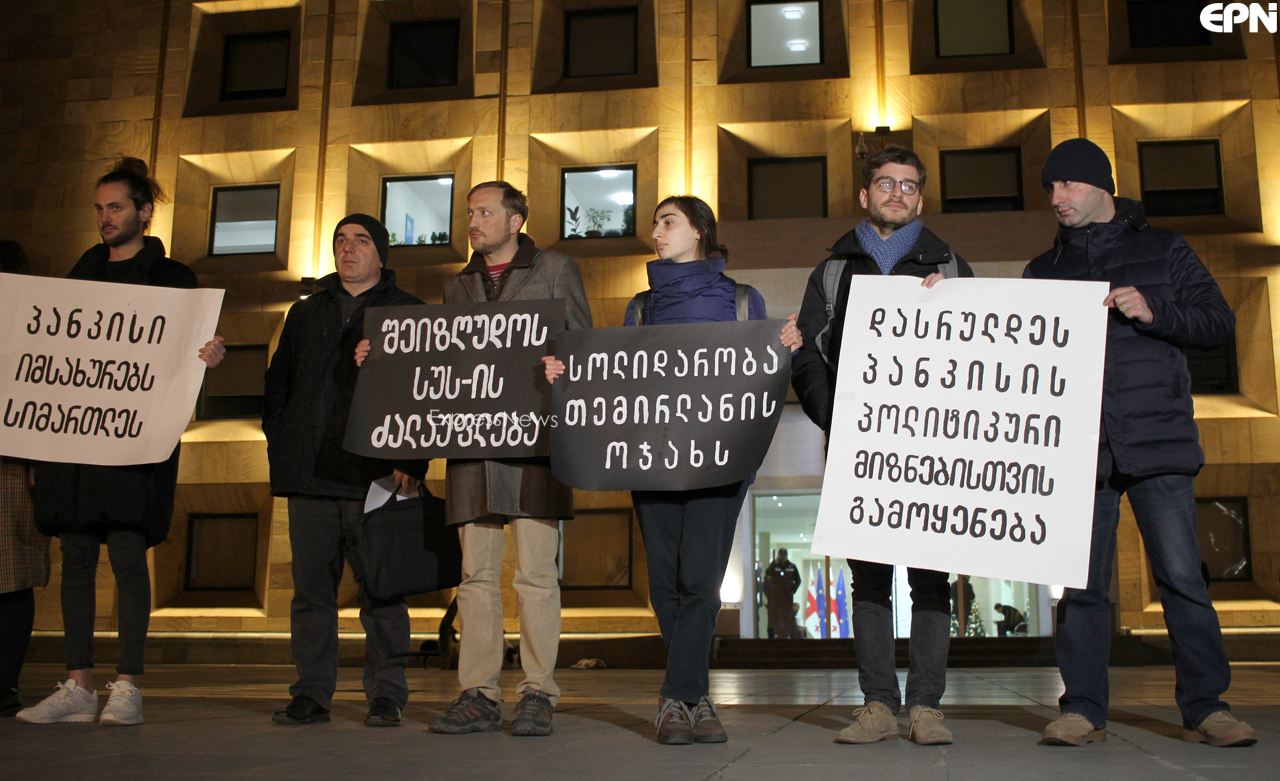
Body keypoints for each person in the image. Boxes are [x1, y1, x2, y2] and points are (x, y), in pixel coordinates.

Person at [545, 196, 802, 745]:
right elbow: (619, 380)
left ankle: (677, 697)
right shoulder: (640, 307)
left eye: (668, 222)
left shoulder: (742, 300)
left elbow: (764, 371)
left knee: (701, 580)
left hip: (720, 462)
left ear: (700, 231)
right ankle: (695, 700)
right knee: (665, 580)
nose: (657, 233)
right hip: (651, 458)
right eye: (655, 224)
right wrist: (570, 371)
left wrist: (788, 347)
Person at [1027, 138, 1256, 748]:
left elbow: (1219, 322)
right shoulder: (1042, 270)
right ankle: (1082, 709)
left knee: (1181, 578)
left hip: (1157, 440)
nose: (1057, 197)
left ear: (1102, 185)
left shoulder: (1165, 247)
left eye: (1068, 184)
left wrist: (1155, 310)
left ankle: (1208, 708)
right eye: (1050, 188)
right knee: (1081, 587)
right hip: (1079, 453)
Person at [18, 158, 226, 726]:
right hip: (75, 443)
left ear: (144, 211)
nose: (105, 218)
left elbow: (183, 366)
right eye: (99, 209)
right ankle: (79, 685)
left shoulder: (174, 280)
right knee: (77, 558)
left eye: (115, 207)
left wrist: (207, 358)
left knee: (130, 556)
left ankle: (128, 684)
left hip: (136, 443)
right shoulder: (77, 278)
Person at [791, 146, 973, 746]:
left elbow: (978, 354)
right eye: (886, 183)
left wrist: (954, 306)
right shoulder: (832, 272)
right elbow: (808, 356)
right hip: (858, 447)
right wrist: (834, 418)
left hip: (931, 447)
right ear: (865, 195)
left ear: (921, 197)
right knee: (868, 580)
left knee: (930, 579)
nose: (898, 192)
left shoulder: (951, 266)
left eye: (909, 185)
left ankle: (926, 707)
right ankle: (877, 705)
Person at [422, 181, 591, 737]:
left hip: (536, 440)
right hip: (472, 444)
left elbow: (583, 344)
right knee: (475, 575)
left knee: (537, 574)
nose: (473, 220)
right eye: (469, 211)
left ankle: (539, 691)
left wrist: (565, 368)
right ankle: (478, 693)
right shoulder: (457, 285)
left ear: (515, 220)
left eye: (484, 211)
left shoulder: (556, 269)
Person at [264, 213, 429, 728]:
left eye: (360, 241)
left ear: (381, 254)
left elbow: (426, 393)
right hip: (309, 476)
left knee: (383, 592)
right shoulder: (305, 312)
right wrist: (282, 438)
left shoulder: (410, 312)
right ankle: (311, 693)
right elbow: (279, 383)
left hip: (376, 477)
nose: (348, 249)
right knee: (311, 594)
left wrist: (412, 459)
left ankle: (386, 694)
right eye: (340, 240)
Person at [0, 241, 50, 718]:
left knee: (12, 573)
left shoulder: (35, 328)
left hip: (13, 462)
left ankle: (4, 682)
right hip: (17, 460)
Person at [763, 548, 801, 639]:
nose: (783, 557)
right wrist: (774, 563)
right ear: (779, 556)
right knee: (774, 617)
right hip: (776, 596)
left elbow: (798, 580)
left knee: (787, 617)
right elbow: (767, 572)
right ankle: (773, 636)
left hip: (787, 596)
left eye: (784, 555)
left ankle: (786, 635)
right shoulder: (774, 566)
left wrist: (793, 590)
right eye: (781, 555)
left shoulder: (792, 566)